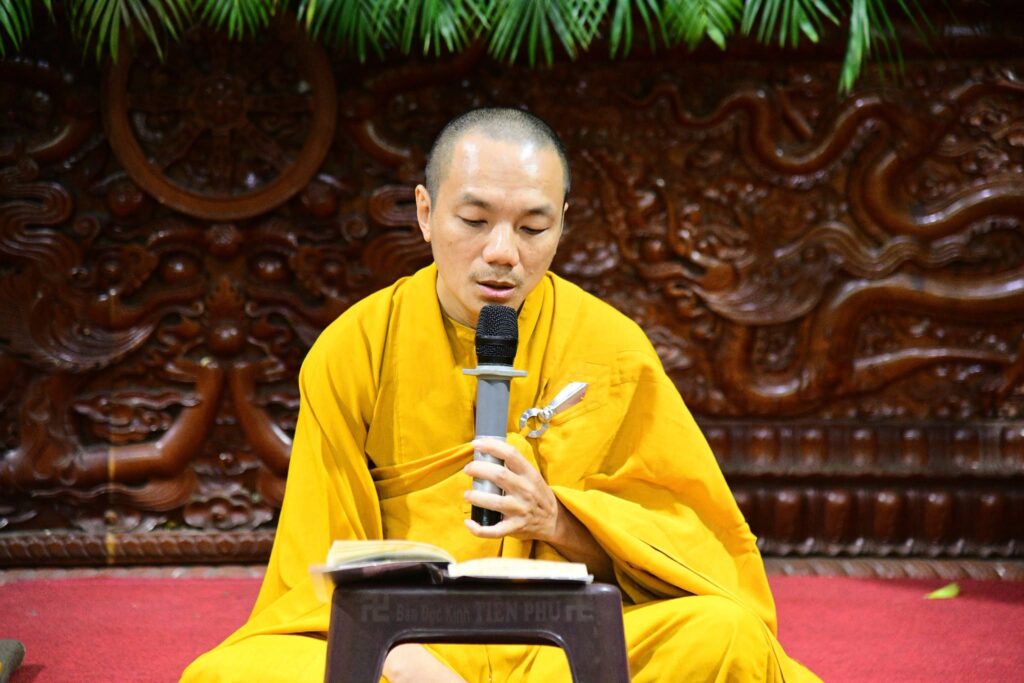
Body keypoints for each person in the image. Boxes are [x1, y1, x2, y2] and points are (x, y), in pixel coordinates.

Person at [182, 107, 819, 682]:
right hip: (406, 650)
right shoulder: (356, 349)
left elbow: (694, 557)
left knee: (723, 635)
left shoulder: (611, 348)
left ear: (563, 223)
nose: (502, 253)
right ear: (426, 213)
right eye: (474, 220)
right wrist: (403, 663)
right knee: (226, 675)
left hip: (562, 654)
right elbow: (316, 568)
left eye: (533, 227)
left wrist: (558, 521)